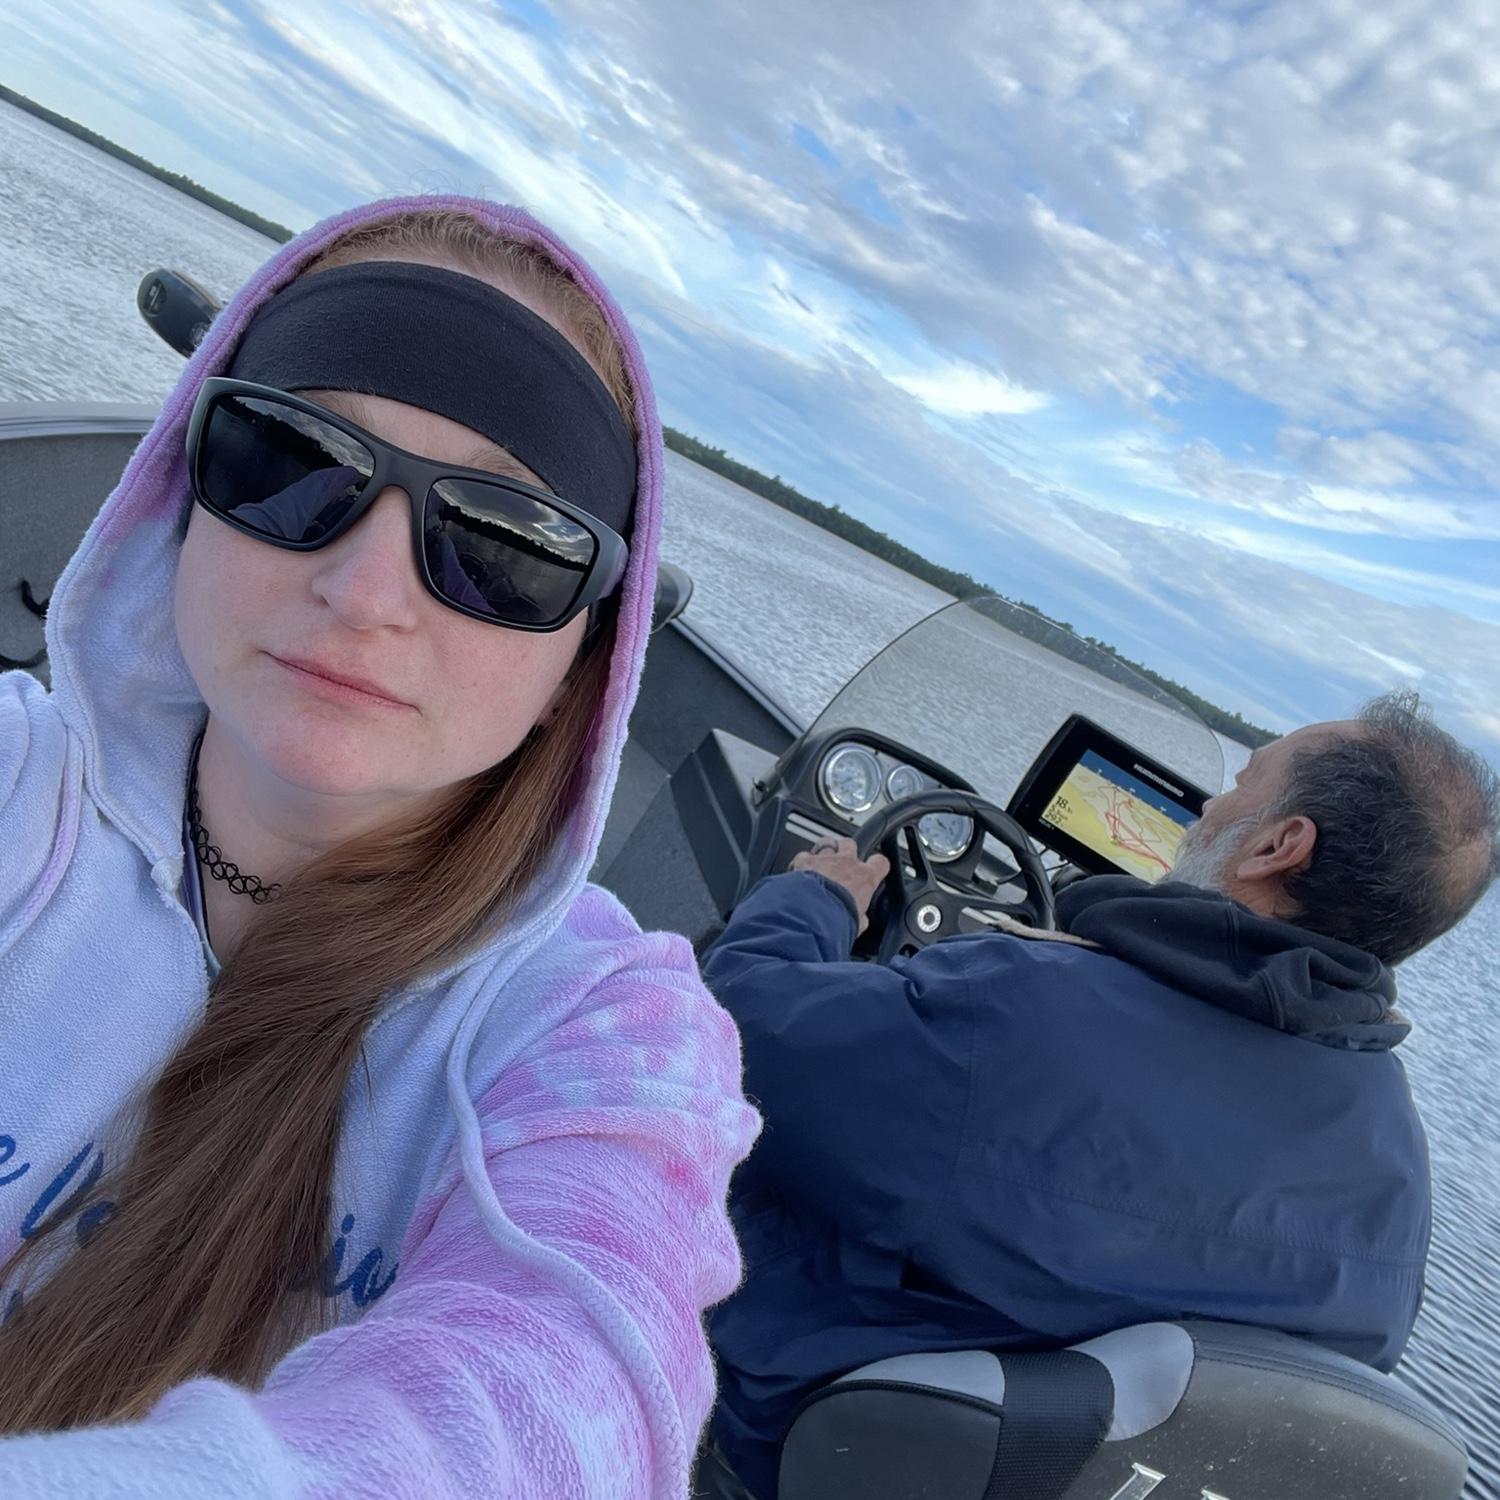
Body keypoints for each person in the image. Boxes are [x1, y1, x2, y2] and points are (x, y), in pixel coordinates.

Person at [0, 198, 760, 1497]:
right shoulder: (20, 781)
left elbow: (568, 1402)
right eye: (289, 457)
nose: (363, 592)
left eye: (503, 543)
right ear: (184, 494)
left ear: (582, 662)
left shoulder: (601, 1034)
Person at [697, 696, 1500, 1499]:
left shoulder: (1020, 1014)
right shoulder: (1399, 1185)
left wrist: (817, 899)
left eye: (1242, 783)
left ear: (1277, 846)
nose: (1209, 807)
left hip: (761, 1439)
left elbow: (729, 1028)